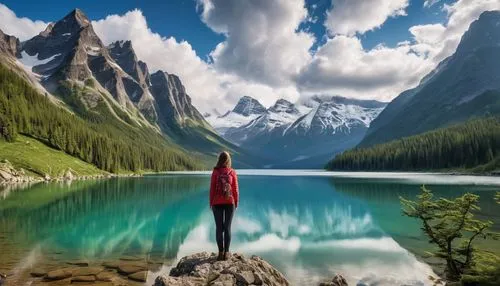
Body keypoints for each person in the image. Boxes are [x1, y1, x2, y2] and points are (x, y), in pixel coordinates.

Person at [209, 151, 239, 261]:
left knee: (219, 228)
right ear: (228, 160)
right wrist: (236, 202)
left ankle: (220, 253)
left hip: (217, 202)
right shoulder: (232, 172)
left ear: (219, 160)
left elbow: (212, 188)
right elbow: (235, 189)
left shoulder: (215, 172)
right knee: (227, 228)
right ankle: (227, 253)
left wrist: (211, 202)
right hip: (229, 202)